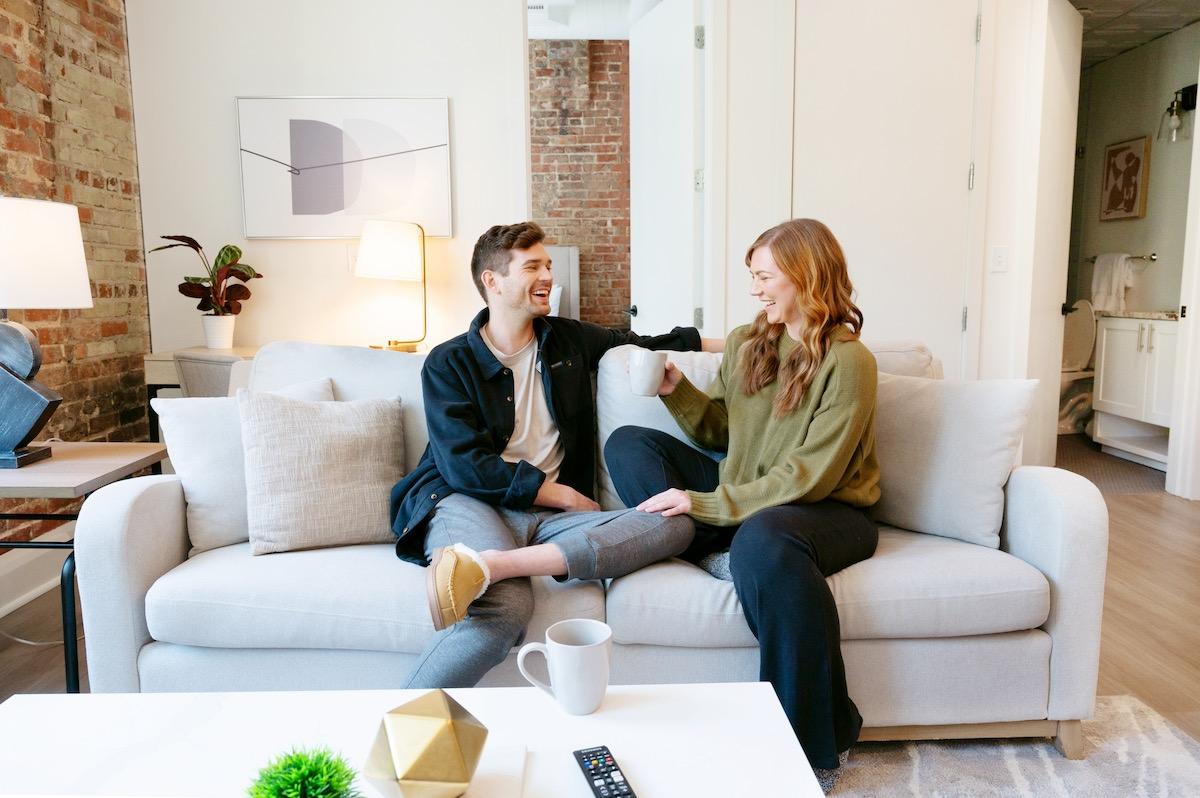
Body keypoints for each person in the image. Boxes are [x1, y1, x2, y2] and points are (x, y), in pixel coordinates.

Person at [604, 218, 880, 791]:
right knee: (629, 443)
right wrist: (674, 389)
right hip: (754, 497)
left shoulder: (850, 361)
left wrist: (703, 505)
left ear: (806, 276)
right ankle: (730, 547)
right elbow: (721, 434)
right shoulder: (748, 342)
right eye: (751, 277)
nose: (755, 289)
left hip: (829, 510)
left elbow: (810, 474)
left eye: (765, 277)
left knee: (764, 541)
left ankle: (805, 750)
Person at [389, 221, 723, 689]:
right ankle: (401, 734)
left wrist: (758, 341)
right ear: (492, 281)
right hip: (466, 499)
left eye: (547, 265)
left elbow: (650, 344)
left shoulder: (567, 339)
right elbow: (464, 466)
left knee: (675, 520)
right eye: (532, 266)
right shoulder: (449, 362)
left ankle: (496, 563)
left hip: (547, 523)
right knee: (505, 610)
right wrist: (562, 495)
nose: (547, 274)